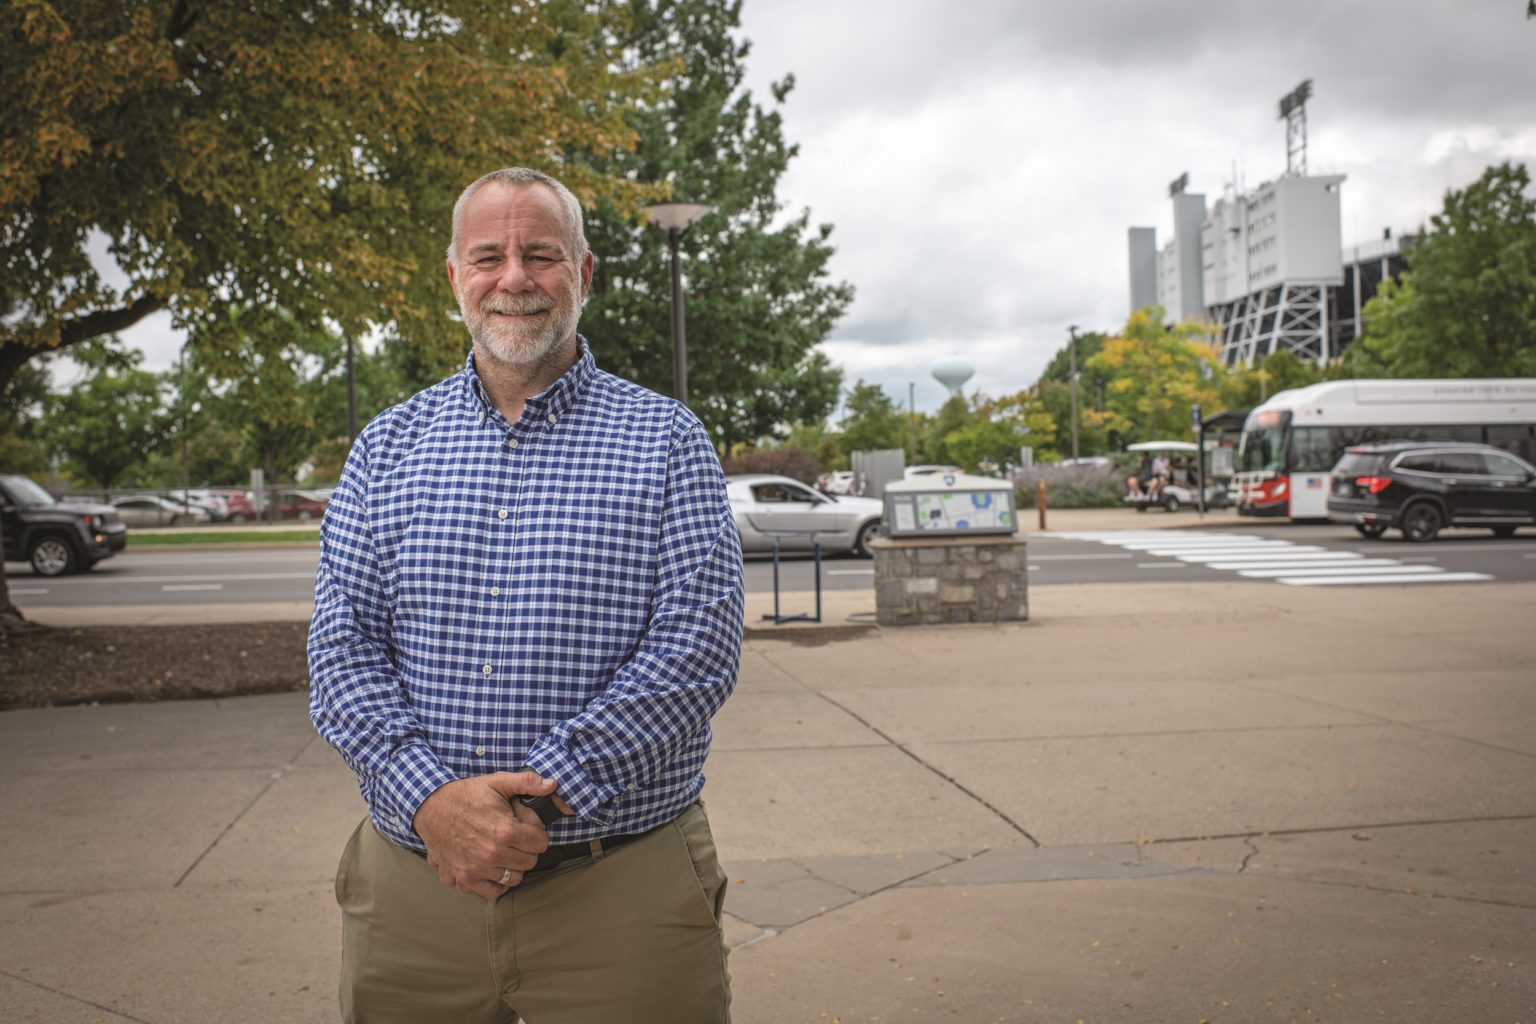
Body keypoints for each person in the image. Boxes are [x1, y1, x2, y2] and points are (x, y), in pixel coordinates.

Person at [308, 166, 745, 1024]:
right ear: (455, 278)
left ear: (583, 274)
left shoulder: (666, 441)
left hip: (620, 888)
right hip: (413, 896)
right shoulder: (386, 448)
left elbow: (696, 650)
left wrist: (536, 798)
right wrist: (430, 798)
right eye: (489, 256)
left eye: (541, 255)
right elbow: (340, 648)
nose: (514, 278)